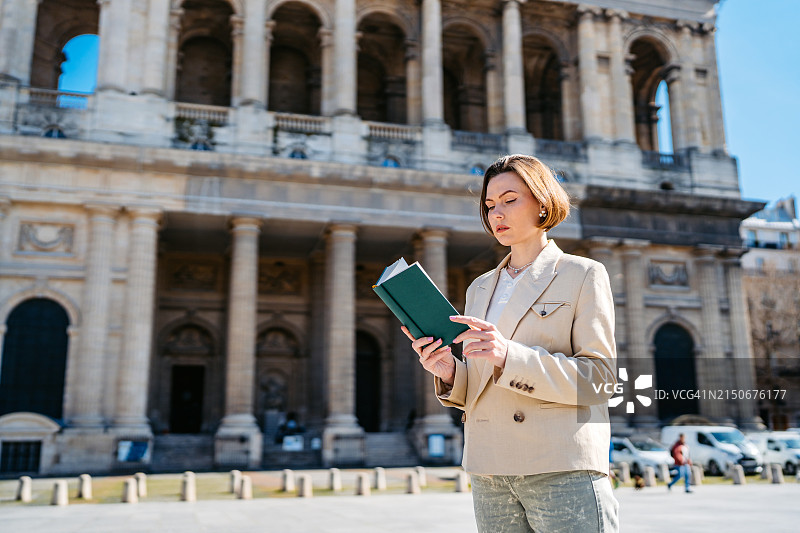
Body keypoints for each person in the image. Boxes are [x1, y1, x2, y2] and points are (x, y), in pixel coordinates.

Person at [402, 154, 620, 533]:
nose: (496, 213)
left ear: (542, 202)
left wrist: (509, 356)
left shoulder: (582, 273)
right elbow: (485, 382)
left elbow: (600, 380)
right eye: (489, 205)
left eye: (509, 199)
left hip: (558, 463)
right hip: (490, 468)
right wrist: (451, 373)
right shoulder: (480, 287)